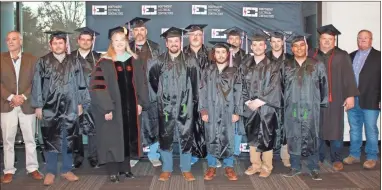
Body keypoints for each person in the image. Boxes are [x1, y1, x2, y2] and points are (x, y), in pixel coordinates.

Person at [31, 30, 89, 185]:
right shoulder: (43, 61)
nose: (58, 45)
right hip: (50, 107)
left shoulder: (74, 61)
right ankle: (50, 171)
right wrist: (38, 106)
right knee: (50, 139)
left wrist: (80, 103)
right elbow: (37, 84)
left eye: (60, 43)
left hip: (70, 105)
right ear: (51, 45)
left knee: (68, 138)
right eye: (55, 43)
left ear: (65, 44)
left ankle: (66, 169)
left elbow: (81, 83)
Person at [89, 26, 141, 183]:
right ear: (111, 43)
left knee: (126, 136)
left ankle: (126, 168)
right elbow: (97, 86)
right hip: (112, 108)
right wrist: (107, 107)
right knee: (112, 138)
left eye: (122, 40)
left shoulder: (133, 60)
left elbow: (140, 83)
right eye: (116, 40)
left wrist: (140, 102)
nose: (119, 43)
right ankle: (113, 171)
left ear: (126, 42)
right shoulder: (104, 62)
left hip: (130, 107)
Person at [148, 27, 199, 182]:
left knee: (186, 135)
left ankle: (186, 168)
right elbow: (153, 82)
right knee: (165, 135)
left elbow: (196, 84)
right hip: (165, 105)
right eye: (171, 41)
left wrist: (193, 102)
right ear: (166, 43)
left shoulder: (190, 61)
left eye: (176, 41)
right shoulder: (158, 61)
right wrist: (162, 97)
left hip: (185, 104)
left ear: (180, 41)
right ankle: (167, 168)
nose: (174, 43)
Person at [308, 24, 359, 171]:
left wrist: (350, 96)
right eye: (324, 39)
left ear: (334, 40)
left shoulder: (342, 55)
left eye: (330, 39)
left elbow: (349, 77)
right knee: (318, 128)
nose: (327, 41)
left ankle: (336, 158)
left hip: (335, 99)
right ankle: (319, 156)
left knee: (336, 128)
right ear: (320, 40)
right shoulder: (312, 54)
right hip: (315, 99)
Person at [282, 32, 328, 181]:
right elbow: (280, 87)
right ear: (292, 49)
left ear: (306, 47)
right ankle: (294, 167)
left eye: (302, 45)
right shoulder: (286, 65)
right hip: (293, 107)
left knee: (311, 135)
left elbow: (324, 85)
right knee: (294, 135)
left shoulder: (317, 65)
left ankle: (313, 167)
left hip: (310, 107)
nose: (299, 48)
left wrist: (322, 103)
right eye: (296, 46)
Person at [0, 31, 43, 183]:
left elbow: (36, 82)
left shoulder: (32, 59)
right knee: (8, 140)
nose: (10, 42)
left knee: (30, 138)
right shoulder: (1, 58)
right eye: (8, 40)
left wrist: (22, 97)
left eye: (14, 39)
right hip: (6, 104)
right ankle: (9, 170)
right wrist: (12, 97)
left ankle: (32, 168)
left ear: (21, 41)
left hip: (27, 104)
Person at [240, 30, 282, 178]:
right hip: (250, 106)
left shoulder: (273, 65)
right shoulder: (245, 65)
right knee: (252, 135)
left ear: (265, 46)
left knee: (266, 135)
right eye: (255, 44)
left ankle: (267, 166)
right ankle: (255, 164)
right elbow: (241, 85)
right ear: (251, 47)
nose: (257, 47)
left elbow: (274, 85)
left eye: (260, 44)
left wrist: (260, 100)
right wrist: (246, 100)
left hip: (267, 107)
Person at [200, 41, 241, 181]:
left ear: (228, 54)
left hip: (228, 110)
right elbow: (202, 91)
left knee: (228, 137)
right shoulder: (207, 70)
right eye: (218, 52)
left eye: (223, 52)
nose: (221, 55)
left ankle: (229, 166)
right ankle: (211, 166)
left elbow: (239, 92)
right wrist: (203, 110)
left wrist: (237, 111)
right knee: (211, 136)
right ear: (214, 54)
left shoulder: (234, 71)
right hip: (211, 109)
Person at [127, 17, 162, 167]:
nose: (139, 32)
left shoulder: (156, 48)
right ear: (132, 32)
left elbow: (161, 72)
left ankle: (154, 154)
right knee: (134, 125)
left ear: (146, 31)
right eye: (136, 30)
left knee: (154, 124)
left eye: (142, 29)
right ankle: (134, 154)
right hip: (132, 93)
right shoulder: (127, 48)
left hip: (152, 93)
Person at [344, 30, 381, 169]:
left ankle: (372, 157)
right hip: (353, 99)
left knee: (371, 129)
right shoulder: (350, 56)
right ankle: (354, 155)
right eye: (360, 38)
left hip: (371, 99)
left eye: (366, 38)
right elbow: (346, 79)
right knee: (354, 128)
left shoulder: (379, 57)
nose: (362, 40)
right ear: (357, 40)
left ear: (371, 40)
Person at [71, 27, 101, 169]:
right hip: (74, 99)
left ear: (92, 41)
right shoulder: (69, 58)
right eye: (82, 39)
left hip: (93, 99)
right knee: (75, 129)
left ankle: (94, 157)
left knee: (93, 130)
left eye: (88, 40)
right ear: (78, 41)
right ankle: (77, 157)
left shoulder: (98, 58)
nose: (85, 42)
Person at [183, 24, 210, 166]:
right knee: (190, 126)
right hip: (188, 96)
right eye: (193, 34)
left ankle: (209, 153)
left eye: (198, 34)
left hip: (207, 96)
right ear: (188, 37)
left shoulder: (210, 54)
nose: (195, 37)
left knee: (207, 125)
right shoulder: (182, 54)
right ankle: (193, 153)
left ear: (202, 37)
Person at [266, 30, 293, 168]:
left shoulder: (290, 59)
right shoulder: (264, 59)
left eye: (278, 41)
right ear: (270, 43)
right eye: (273, 41)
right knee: (268, 128)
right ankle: (267, 159)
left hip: (285, 99)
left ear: (283, 42)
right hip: (269, 100)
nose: (276, 44)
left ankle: (286, 157)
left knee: (285, 128)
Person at [222, 26, 248, 158]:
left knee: (238, 124)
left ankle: (235, 150)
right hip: (224, 95)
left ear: (241, 41)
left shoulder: (247, 57)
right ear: (227, 40)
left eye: (236, 38)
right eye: (231, 38)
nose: (233, 41)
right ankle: (224, 149)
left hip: (239, 95)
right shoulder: (220, 55)